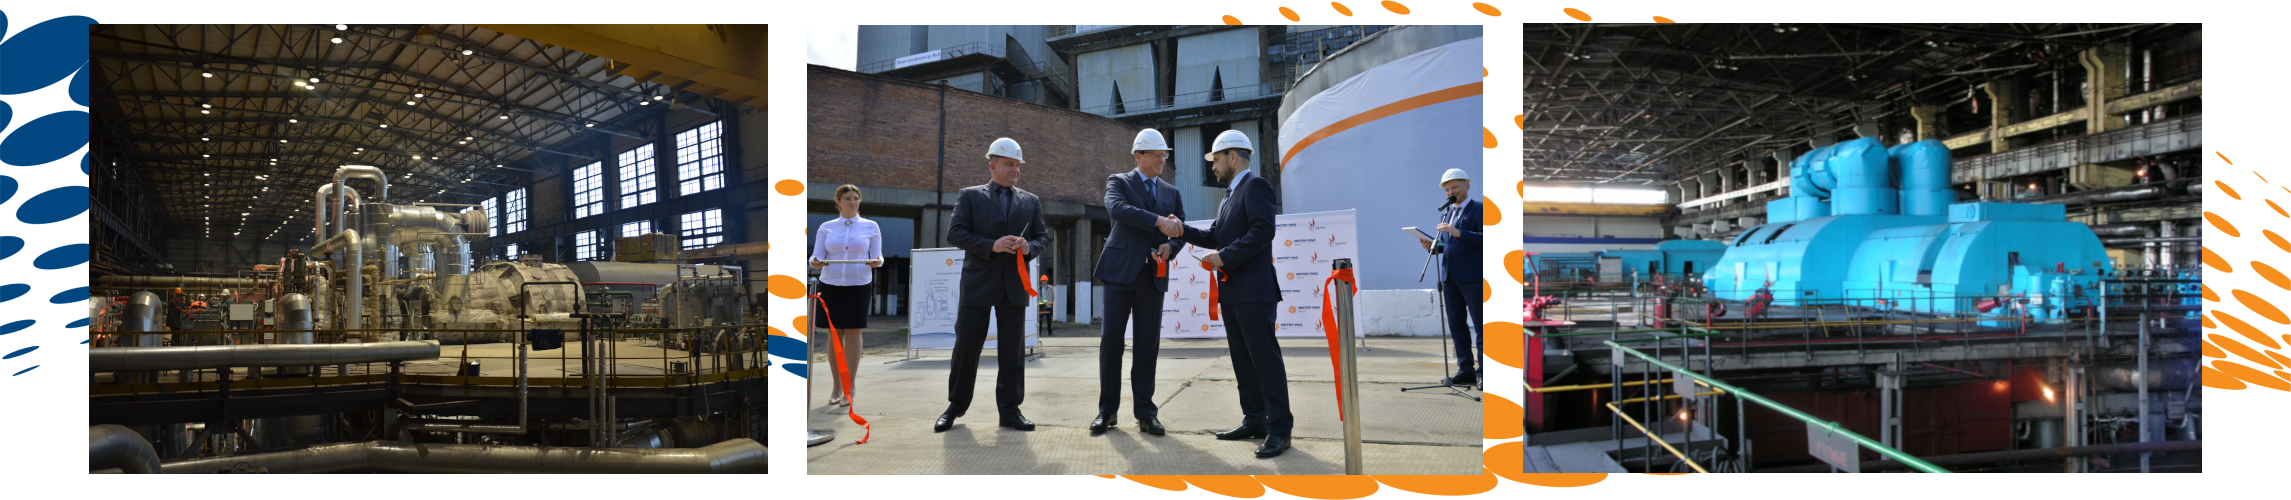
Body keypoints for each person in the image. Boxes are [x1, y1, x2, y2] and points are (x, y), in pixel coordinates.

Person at [1160, 129, 1292, 458]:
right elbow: (1215, 235)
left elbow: (1264, 230)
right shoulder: (1229, 196)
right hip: (1233, 292)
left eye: (1216, 160)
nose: (1213, 167)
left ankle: (1279, 429)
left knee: (1265, 361)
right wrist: (1181, 229)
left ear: (1233, 157)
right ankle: (1254, 419)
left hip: (1254, 292)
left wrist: (1225, 257)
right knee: (1243, 361)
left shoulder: (1255, 186)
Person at [935, 137, 1051, 433]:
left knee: (1013, 350)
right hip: (978, 282)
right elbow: (955, 233)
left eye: (1018, 165)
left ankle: (1010, 411)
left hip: (1014, 285)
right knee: (967, 346)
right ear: (993, 165)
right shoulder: (970, 196)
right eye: (1009, 164)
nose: (1015, 170)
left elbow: (1043, 237)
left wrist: (1029, 247)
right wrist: (992, 245)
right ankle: (955, 406)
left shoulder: (1030, 201)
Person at [1089, 128, 1184, 436]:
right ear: (1138, 156)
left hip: (1153, 275)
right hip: (1119, 273)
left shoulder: (1171, 193)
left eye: (1163, 155)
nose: (1161, 160)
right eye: (1155, 155)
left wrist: (1171, 247)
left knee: (1147, 344)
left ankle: (1146, 413)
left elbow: (1180, 229)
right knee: (1111, 342)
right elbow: (1117, 209)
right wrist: (1158, 221)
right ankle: (1107, 412)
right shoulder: (1119, 182)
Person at [810, 184, 884, 411]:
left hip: (858, 283)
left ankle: (850, 386)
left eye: (855, 198)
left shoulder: (871, 226)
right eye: (847, 198)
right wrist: (814, 262)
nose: (852, 202)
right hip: (830, 283)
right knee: (834, 334)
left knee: (853, 332)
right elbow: (816, 255)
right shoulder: (826, 227)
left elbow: (878, 256)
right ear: (838, 201)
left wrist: (877, 262)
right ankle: (836, 386)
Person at [1419, 168, 1486, 389]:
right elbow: (1450, 247)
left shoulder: (1480, 209)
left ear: (1467, 186)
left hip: (1473, 277)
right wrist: (1432, 247)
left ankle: (1484, 372)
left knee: (1481, 325)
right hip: (1450, 278)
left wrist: (1458, 232)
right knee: (1457, 324)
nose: (1450, 192)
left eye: (1454, 187)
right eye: (1447, 189)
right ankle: (1466, 370)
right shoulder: (1447, 214)